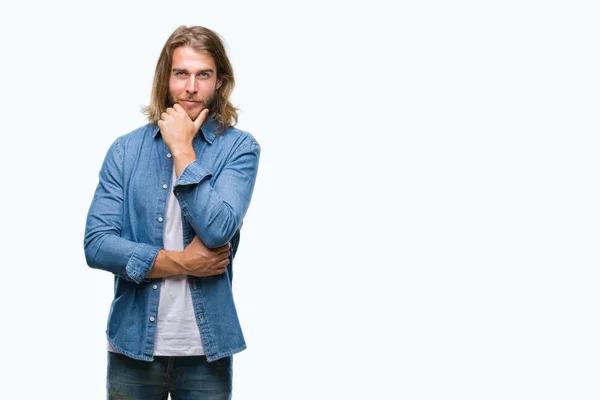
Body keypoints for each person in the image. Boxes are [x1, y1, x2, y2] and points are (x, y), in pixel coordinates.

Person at [84, 25, 260, 399]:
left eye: (203, 75)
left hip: (205, 352)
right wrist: (184, 262)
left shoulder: (240, 149)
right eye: (181, 73)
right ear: (166, 77)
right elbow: (97, 246)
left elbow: (217, 231)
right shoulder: (125, 151)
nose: (191, 87)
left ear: (220, 82)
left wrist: (183, 150)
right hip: (133, 345)